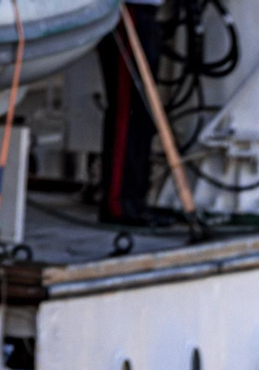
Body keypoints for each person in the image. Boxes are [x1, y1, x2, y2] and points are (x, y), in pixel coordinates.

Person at [97, 0, 165, 223]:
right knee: (127, 112)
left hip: (146, 13)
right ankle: (118, 202)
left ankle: (135, 198)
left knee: (142, 115)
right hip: (127, 12)